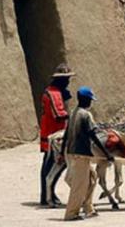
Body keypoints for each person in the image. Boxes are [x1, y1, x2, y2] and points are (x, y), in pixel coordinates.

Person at [62, 87, 114, 221]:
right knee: (79, 185)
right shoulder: (86, 115)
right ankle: (71, 214)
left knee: (92, 178)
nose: (91, 103)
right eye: (90, 100)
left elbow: (67, 133)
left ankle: (88, 208)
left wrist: (62, 152)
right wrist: (107, 153)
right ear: (86, 100)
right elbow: (93, 135)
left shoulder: (74, 112)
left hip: (73, 151)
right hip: (82, 153)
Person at [39, 63, 74, 207]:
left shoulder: (53, 91)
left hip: (51, 131)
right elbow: (58, 115)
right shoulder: (54, 94)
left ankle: (48, 193)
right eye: (66, 79)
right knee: (53, 165)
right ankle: (47, 195)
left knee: (51, 165)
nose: (68, 82)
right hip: (53, 133)